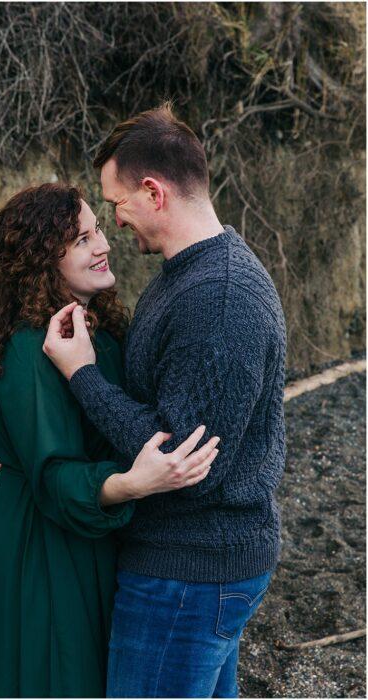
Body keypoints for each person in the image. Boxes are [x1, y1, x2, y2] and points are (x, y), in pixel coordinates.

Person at [43, 105, 287, 698]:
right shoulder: (189, 274)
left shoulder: (219, 298)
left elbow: (182, 460)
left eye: (117, 203)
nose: (115, 223)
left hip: (189, 570)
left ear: (153, 192)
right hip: (199, 566)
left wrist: (83, 375)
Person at [0, 182, 221, 698]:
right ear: (44, 259)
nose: (103, 244)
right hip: (40, 539)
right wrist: (134, 484)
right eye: (84, 239)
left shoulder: (100, 324)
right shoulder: (28, 348)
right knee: (55, 676)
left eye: (98, 229)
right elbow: (55, 477)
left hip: (92, 532)